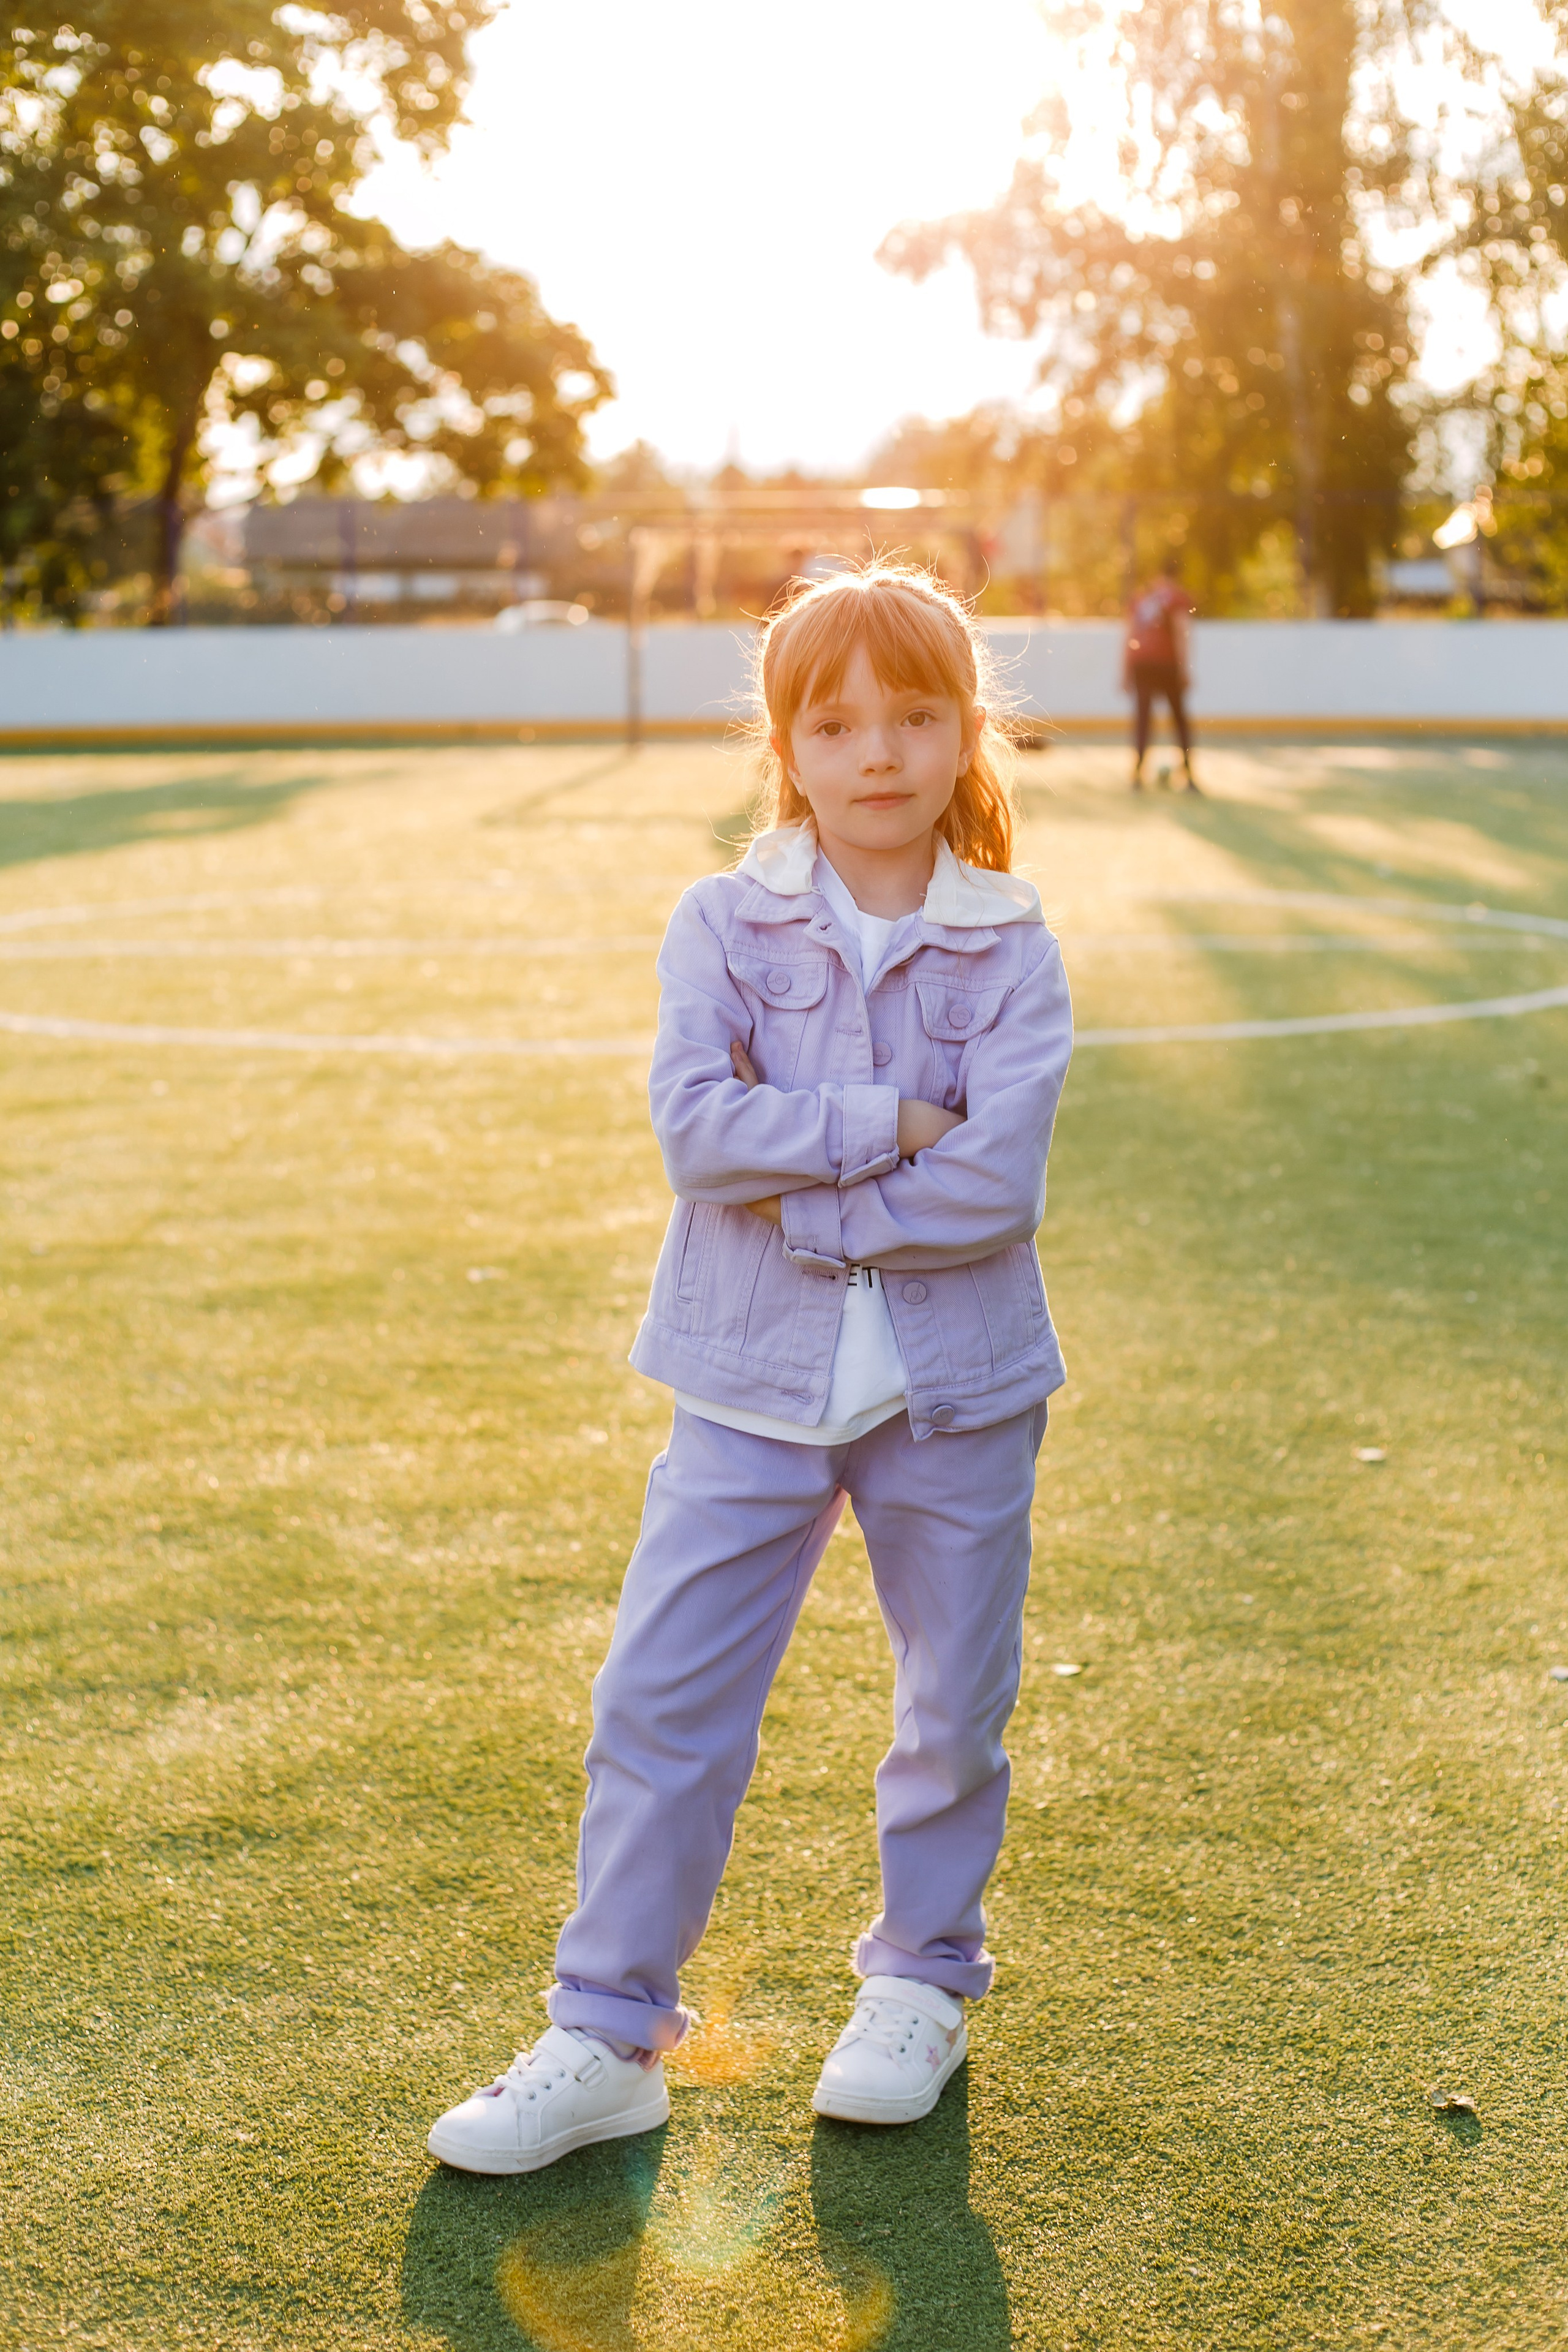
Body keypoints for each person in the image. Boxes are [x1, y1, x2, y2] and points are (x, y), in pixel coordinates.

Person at [426, 565, 1074, 2175]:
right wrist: (883, 1128)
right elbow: (691, 1135)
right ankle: (605, 2031)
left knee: (952, 1711)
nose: (878, 753)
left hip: (962, 1388)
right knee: (665, 1704)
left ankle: (918, 1987)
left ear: (964, 731)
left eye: (918, 717)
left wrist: (801, 1195)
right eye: (836, 720)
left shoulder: (1012, 945)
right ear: (785, 738)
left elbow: (999, 1189)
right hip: (742, 1378)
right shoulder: (721, 921)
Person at [1124, 562, 1199, 791]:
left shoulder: (1141, 599)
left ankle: (1137, 774)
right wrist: (1185, 669)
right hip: (1167, 665)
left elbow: (1128, 636)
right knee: (1179, 719)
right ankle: (1189, 775)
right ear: (1175, 577)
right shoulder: (1177, 598)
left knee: (1143, 720)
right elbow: (1180, 633)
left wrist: (1126, 670)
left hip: (1142, 666)